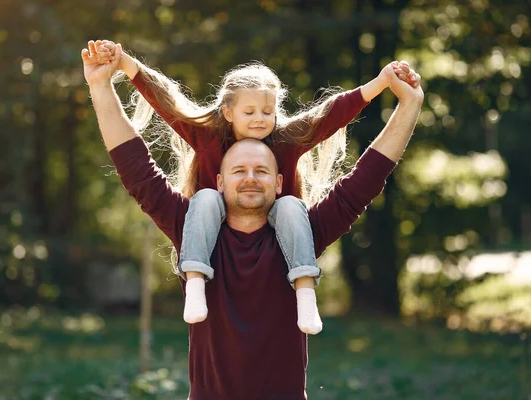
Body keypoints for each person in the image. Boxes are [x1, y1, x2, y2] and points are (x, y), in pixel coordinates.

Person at [82, 41, 423, 399]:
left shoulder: (300, 237)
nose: (249, 177)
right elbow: (137, 168)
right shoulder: (194, 230)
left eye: (261, 170)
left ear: (279, 182)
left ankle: (306, 292)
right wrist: (101, 85)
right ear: (218, 181)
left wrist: (409, 103)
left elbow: (365, 178)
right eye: (238, 169)